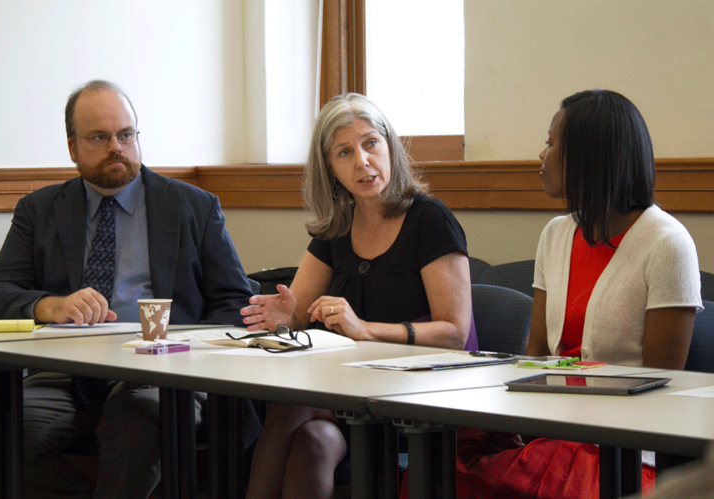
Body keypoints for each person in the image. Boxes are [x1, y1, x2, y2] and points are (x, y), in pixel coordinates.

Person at [399, 89, 702, 499]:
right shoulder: (557, 234)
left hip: (619, 450)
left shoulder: (667, 243)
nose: (541, 155)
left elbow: (660, 386)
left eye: (550, 142)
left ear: (587, 156)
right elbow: (538, 351)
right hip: (552, 428)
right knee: (432, 468)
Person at [0, 80, 259, 499]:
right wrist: (50, 306)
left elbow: (234, 301)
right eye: (99, 138)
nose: (116, 148)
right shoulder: (40, 209)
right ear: (72, 148)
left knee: (134, 429)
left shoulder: (192, 206)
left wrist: (185, 350)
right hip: (65, 374)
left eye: (126, 134)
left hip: (160, 374)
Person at [239, 92, 476, 499]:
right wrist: (286, 316)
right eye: (345, 152)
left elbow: (454, 333)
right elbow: (298, 312)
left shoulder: (430, 220)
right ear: (329, 168)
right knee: (313, 440)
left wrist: (365, 329)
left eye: (371, 144)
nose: (363, 161)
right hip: (349, 395)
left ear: (390, 147)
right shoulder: (338, 227)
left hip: (419, 398)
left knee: (293, 406)